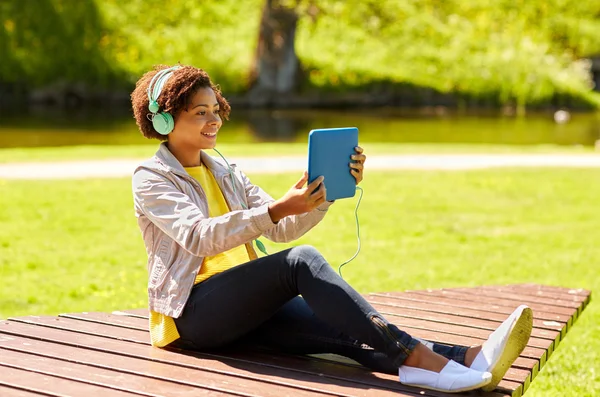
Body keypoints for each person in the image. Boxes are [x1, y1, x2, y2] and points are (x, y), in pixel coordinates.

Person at [130, 64, 533, 393]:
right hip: (192, 316)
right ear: (164, 120)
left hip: (241, 307)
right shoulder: (152, 178)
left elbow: (281, 229)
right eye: (200, 112)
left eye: (215, 110)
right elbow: (201, 235)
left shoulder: (224, 171)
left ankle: (464, 359)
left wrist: (322, 194)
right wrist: (275, 209)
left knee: (345, 332)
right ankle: (426, 362)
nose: (214, 120)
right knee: (299, 262)